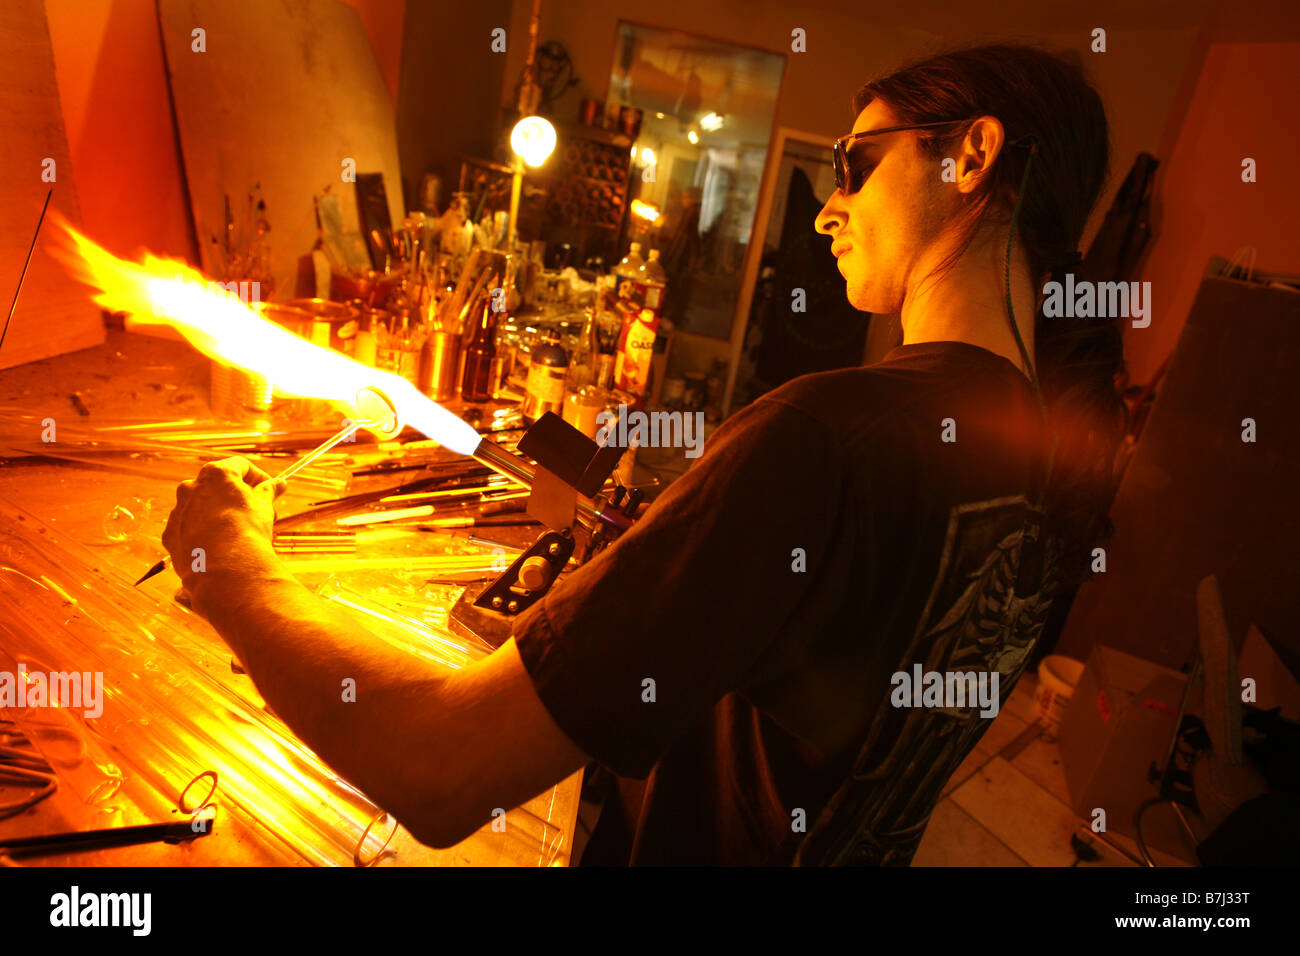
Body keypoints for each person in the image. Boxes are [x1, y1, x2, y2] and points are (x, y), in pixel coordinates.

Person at [163, 44, 1126, 865]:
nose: (829, 211)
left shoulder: (825, 435)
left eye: (854, 164)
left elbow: (439, 768)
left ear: (973, 153)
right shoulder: (1052, 456)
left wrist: (231, 566)